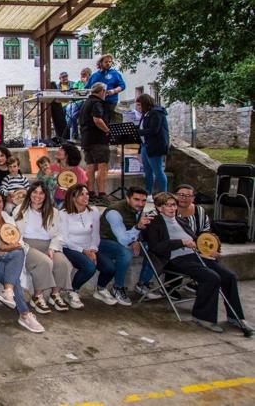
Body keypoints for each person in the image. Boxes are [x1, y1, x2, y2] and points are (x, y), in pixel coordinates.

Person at [142, 192, 252, 333]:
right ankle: (202, 316)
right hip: (174, 259)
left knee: (229, 276)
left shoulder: (181, 220)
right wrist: (180, 242)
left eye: (173, 205)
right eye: (167, 205)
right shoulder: (154, 223)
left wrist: (209, 251)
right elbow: (156, 247)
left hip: (195, 256)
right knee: (211, 278)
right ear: (158, 207)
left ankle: (236, 317)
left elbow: (196, 240)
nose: (171, 208)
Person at [0, 191, 44, 333]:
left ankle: (9, 293)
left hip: (9, 256)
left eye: (0, 201)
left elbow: (17, 238)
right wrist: (7, 247)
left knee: (17, 256)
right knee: (14, 277)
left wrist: (13, 247)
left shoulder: (8, 217)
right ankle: (25, 314)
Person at [13, 182, 76, 313]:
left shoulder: (54, 212)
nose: (38, 196)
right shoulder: (19, 210)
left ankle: (55, 294)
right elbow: (14, 233)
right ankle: (37, 296)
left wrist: (52, 248)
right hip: (27, 245)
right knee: (44, 262)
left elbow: (59, 234)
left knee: (63, 263)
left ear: (46, 195)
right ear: (30, 194)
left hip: (49, 244)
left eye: (41, 193)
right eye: (35, 192)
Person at [98, 186, 153, 306]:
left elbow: (133, 233)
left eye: (143, 200)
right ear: (128, 198)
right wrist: (137, 228)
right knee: (125, 253)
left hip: (126, 239)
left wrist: (136, 240)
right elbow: (123, 240)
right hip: (105, 241)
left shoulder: (138, 209)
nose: (140, 203)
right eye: (136, 199)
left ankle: (142, 283)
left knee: (153, 248)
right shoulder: (114, 212)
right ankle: (118, 287)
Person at [59, 184, 104, 307]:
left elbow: (95, 234)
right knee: (89, 267)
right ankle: (73, 291)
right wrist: (84, 251)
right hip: (70, 247)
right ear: (73, 198)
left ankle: (101, 290)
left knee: (109, 267)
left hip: (89, 247)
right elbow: (65, 239)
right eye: (81, 194)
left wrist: (93, 249)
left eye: (87, 194)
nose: (86, 197)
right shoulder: (64, 214)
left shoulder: (93, 211)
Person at [79, 82, 111, 205]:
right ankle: (102, 194)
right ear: (101, 91)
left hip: (87, 139)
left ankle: (91, 193)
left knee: (90, 166)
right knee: (102, 166)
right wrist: (107, 130)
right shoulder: (97, 103)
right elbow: (97, 119)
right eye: (105, 91)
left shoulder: (86, 103)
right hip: (98, 139)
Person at [136, 93, 169, 201]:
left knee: (157, 170)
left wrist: (138, 132)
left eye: (140, 105)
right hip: (146, 145)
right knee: (147, 171)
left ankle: (164, 194)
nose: (138, 108)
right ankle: (148, 193)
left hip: (155, 146)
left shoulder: (156, 113)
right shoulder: (145, 114)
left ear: (145, 104)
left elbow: (154, 130)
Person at [50, 143, 87, 207]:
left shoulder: (79, 171)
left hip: (72, 201)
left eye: (61, 149)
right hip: (54, 200)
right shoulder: (51, 168)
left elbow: (82, 189)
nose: (58, 151)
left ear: (68, 154)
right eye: (59, 148)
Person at [66, 67, 92, 140]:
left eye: (84, 75)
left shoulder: (91, 82)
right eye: (81, 75)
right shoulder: (77, 83)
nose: (82, 77)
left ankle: (85, 135)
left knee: (85, 118)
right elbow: (74, 92)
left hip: (88, 103)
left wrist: (86, 83)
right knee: (73, 117)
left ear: (89, 75)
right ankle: (75, 134)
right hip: (78, 102)